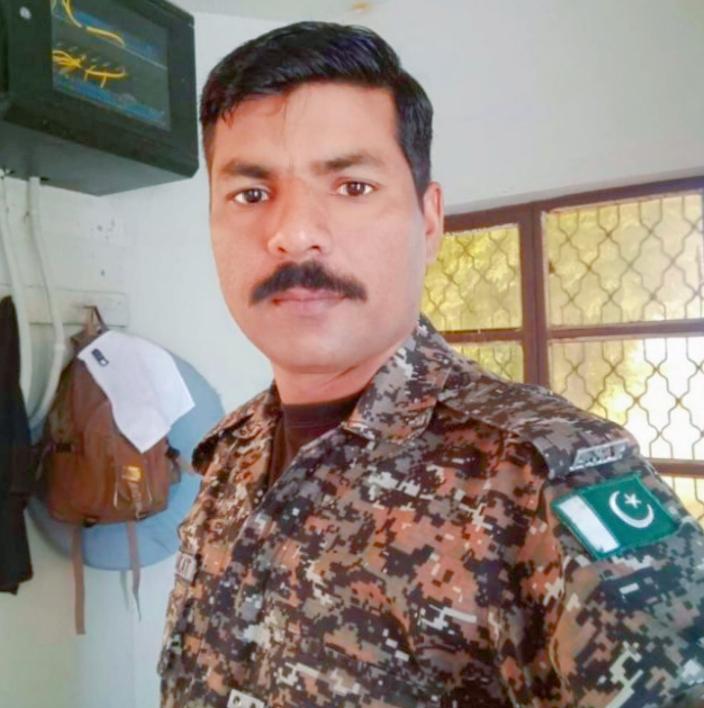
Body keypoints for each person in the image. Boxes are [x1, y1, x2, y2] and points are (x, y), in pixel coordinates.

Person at [159, 21, 704, 707]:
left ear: (429, 219)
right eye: (250, 194)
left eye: (352, 186)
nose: (293, 233)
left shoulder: (546, 478)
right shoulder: (229, 451)